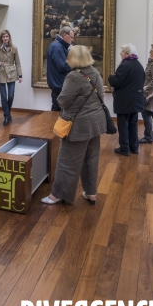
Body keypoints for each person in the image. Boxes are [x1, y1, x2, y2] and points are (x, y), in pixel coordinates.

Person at [41, 45, 106, 205]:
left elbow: (62, 100)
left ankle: (58, 195)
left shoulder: (73, 76)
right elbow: (101, 97)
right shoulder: (95, 73)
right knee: (91, 160)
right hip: (96, 124)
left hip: (79, 125)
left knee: (67, 161)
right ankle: (91, 193)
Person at [108, 43, 145, 156]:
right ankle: (134, 147)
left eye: (122, 51)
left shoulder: (125, 65)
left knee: (123, 125)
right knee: (133, 124)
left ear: (128, 54)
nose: (120, 53)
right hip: (135, 100)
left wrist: (110, 77)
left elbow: (116, 81)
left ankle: (124, 148)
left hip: (125, 101)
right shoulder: (138, 64)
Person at [0, 30, 22, 126]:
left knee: (11, 95)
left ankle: (8, 113)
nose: (5, 38)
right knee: (3, 97)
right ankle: (6, 116)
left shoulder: (14, 48)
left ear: (9, 37)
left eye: (7, 36)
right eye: (3, 36)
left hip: (12, 73)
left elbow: (17, 62)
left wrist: (20, 75)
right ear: (1, 38)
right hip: (1, 73)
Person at [46, 25, 74, 111]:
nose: (72, 40)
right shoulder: (57, 47)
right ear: (65, 35)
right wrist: (74, 64)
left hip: (58, 83)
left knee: (57, 110)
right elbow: (62, 67)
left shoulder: (56, 45)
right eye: (71, 37)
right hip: (59, 84)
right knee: (57, 112)